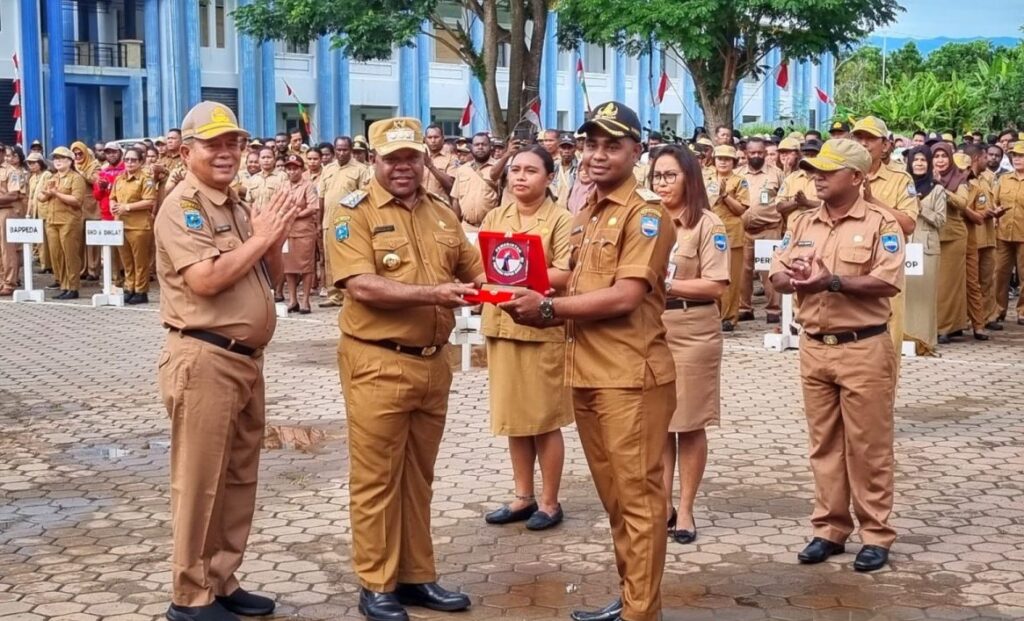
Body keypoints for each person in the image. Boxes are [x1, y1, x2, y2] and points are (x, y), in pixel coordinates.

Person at [499, 101, 676, 621]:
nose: (598, 155)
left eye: (612, 145)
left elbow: (624, 296)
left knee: (640, 502)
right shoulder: (588, 214)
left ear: (635, 152)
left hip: (631, 379)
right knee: (617, 501)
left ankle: (641, 613)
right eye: (591, 143)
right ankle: (632, 599)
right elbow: (569, 279)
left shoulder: (645, 215)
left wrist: (547, 310)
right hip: (589, 374)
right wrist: (501, 280)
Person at [327, 116, 482, 621]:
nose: (402, 167)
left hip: (432, 365)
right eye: (392, 158)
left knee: (419, 476)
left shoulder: (441, 212)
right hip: (378, 360)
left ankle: (417, 576)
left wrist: (515, 281)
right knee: (376, 479)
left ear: (423, 159)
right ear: (375, 160)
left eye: (411, 157)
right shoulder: (352, 213)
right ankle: (376, 583)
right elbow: (362, 285)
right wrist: (434, 294)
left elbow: (473, 269)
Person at [155, 101, 298, 621]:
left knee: (237, 477)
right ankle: (189, 596)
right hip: (204, 358)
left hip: (244, 360)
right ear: (187, 149)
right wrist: (261, 237)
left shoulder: (235, 205)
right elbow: (206, 280)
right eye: (213, 143)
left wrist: (272, 238)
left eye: (233, 142)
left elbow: (270, 277)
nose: (226, 152)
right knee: (199, 481)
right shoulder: (183, 207)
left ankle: (220, 578)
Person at [769, 139, 904, 573]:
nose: (817, 176)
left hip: (863, 346)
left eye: (828, 170)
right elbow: (776, 271)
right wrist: (793, 280)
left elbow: (887, 283)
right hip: (814, 347)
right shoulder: (805, 222)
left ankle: (876, 533)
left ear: (857, 177)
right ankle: (830, 528)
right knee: (823, 444)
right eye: (814, 169)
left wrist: (832, 282)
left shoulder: (883, 223)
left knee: (868, 446)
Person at [480, 145, 573, 531]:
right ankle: (523, 495)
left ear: (549, 177)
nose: (519, 176)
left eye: (530, 170)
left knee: (543, 419)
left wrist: (514, 277)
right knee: (513, 417)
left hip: (540, 327)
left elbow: (566, 273)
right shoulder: (495, 216)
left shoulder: (563, 220)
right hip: (502, 325)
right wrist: (492, 280)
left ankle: (550, 502)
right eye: (515, 169)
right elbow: (482, 266)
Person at [650, 144, 729, 546]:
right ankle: (661, 504)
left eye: (670, 175)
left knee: (690, 423)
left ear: (690, 178)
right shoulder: (647, 220)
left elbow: (715, 285)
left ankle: (685, 509)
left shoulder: (706, 224)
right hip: (652, 329)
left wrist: (665, 285)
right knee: (661, 421)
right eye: (657, 176)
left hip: (693, 328)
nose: (662, 183)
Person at [852, 117, 918, 364]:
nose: (864, 144)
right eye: (858, 138)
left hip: (886, 270)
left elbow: (909, 224)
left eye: (870, 139)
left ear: (886, 145)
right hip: (848, 268)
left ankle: (884, 401)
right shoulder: (843, 176)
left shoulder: (901, 179)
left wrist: (872, 202)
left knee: (888, 341)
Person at [319, 136, 372, 308]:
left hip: (348, 221)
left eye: (345, 149)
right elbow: (321, 196)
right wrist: (319, 221)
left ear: (350, 150)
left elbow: (364, 195)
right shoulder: (327, 169)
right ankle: (333, 294)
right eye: (338, 149)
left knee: (347, 257)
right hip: (328, 220)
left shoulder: (361, 169)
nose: (341, 153)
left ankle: (348, 294)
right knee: (328, 259)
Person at [903, 147, 946, 354]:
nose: (919, 163)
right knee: (906, 293)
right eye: (915, 160)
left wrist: (920, 207)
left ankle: (925, 341)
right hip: (905, 245)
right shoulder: (904, 186)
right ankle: (905, 337)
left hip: (927, 247)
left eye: (923, 160)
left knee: (925, 296)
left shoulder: (937, 189)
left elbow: (941, 220)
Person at [739, 137, 785, 323]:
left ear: (765, 154)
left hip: (769, 229)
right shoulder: (738, 174)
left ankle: (773, 309)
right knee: (743, 271)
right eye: (752, 153)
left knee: (770, 271)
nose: (756, 155)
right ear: (746, 154)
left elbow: (783, 200)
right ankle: (744, 308)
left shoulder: (777, 174)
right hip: (744, 230)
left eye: (760, 152)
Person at [705, 144, 749, 331]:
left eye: (727, 158)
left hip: (731, 232)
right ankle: (712, 314)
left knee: (731, 275)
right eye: (719, 158)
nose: (723, 161)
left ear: (734, 162)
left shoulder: (740, 181)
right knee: (709, 274)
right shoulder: (705, 178)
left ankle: (729, 317)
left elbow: (741, 209)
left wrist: (725, 196)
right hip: (708, 232)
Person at [932, 141, 970, 342]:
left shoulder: (960, 179)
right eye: (936, 156)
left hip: (953, 236)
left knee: (949, 284)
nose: (940, 160)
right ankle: (953, 325)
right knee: (934, 283)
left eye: (943, 156)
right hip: (931, 235)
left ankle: (945, 327)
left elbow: (963, 203)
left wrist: (942, 190)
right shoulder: (924, 179)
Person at [110, 147, 158, 304]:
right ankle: (129, 287)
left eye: (133, 160)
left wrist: (127, 207)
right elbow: (113, 197)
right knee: (127, 261)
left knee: (140, 261)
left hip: (139, 225)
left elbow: (149, 201)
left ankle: (141, 290)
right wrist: (113, 205)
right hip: (121, 224)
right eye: (127, 159)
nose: (129, 163)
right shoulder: (119, 178)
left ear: (140, 162)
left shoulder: (145, 178)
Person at [39, 147, 88, 299]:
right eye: (55, 159)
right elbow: (40, 197)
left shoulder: (76, 178)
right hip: (52, 220)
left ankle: (73, 287)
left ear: (70, 161)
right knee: (56, 254)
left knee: (70, 254)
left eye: (62, 158)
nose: (58, 161)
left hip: (69, 221)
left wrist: (56, 193)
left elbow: (77, 201)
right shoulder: (52, 178)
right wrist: (48, 194)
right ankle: (64, 284)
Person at [962, 143, 997, 340]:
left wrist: (989, 212)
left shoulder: (988, 178)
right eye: (985, 157)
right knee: (967, 283)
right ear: (976, 159)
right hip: (966, 237)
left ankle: (981, 321)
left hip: (985, 236)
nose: (988, 161)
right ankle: (967, 321)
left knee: (983, 282)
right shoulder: (961, 181)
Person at [991, 143, 1024, 326]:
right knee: (1000, 273)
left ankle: (1022, 311)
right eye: (1015, 155)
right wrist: (996, 211)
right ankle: (998, 310)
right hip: (1003, 234)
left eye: (1021, 155)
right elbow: (995, 202)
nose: (1017, 158)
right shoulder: (1004, 179)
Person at [280, 154, 318, 313]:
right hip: (286, 231)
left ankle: (305, 300)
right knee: (288, 266)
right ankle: (293, 299)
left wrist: (295, 214)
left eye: (295, 168)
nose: (291, 172)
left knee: (306, 266)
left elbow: (313, 206)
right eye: (288, 169)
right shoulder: (282, 185)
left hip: (304, 231)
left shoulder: (308, 185)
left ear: (301, 170)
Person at [451, 133, 498, 230]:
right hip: (466, 227)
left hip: (491, 227)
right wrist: (456, 225)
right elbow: (456, 199)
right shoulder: (462, 170)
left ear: (490, 147)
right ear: (471, 147)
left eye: (484, 144)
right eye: (477, 145)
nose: (480, 147)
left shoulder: (498, 168)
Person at [71, 141, 102, 281]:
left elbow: (95, 180)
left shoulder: (94, 164)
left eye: (80, 154)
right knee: (79, 239)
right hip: (77, 206)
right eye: (75, 154)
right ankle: (82, 269)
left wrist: (80, 173)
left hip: (92, 205)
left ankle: (93, 270)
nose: (77, 157)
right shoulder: (71, 165)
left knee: (92, 240)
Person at [0, 146, 28, 294]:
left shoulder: (12, 171)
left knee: (8, 250)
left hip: (6, 211)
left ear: (3, 153)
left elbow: (13, 195)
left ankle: (9, 283)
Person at [26, 152, 51, 274]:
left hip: (45, 210)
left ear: (40, 163)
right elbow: (30, 197)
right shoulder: (32, 178)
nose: (31, 165)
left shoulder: (47, 175)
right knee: (40, 239)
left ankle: (49, 264)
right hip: (36, 211)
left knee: (48, 239)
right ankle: (44, 264)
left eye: (33, 163)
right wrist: (28, 213)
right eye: (29, 163)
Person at [244, 147, 286, 214]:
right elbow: (249, 202)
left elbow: (286, 201)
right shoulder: (254, 178)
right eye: (263, 158)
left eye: (269, 157)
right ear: (259, 160)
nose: (266, 160)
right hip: (256, 219)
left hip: (274, 218)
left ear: (274, 160)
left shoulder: (282, 176)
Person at [423, 124, 456, 197]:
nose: (433, 140)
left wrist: (430, 166)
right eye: (429, 137)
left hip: (441, 205)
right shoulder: (419, 156)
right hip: (420, 205)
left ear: (443, 138)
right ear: (425, 139)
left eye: (436, 137)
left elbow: (452, 185)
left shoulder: (452, 158)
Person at [552, 133, 579, 208]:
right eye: (563, 148)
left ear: (575, 148)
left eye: (569, 148)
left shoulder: (580, 167)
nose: (566, 151)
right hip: (555, 211)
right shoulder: (554, 167)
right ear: (558, 148)